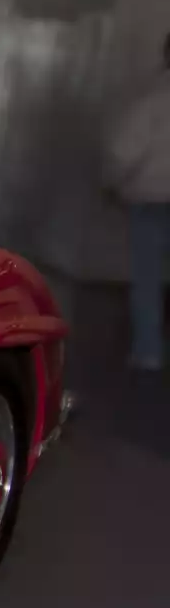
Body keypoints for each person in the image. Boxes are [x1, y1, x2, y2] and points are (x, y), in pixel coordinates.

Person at [106, 30, 170, 372]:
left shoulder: (151, 102)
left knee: (148, 280)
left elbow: (123, 153)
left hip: (151, 202)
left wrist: (114, 185)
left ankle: (149, 352)